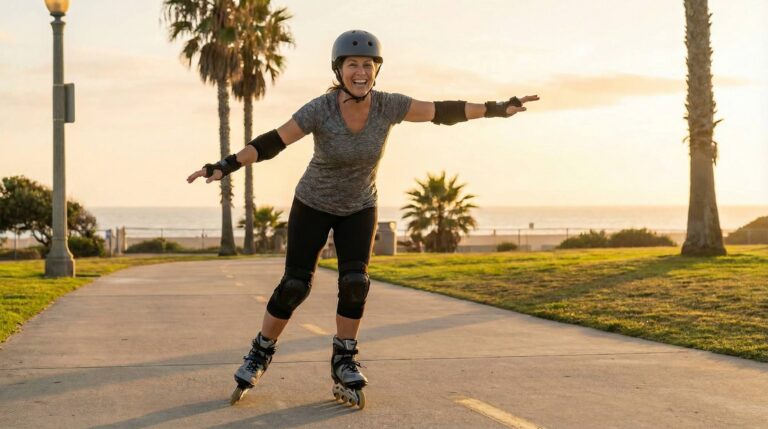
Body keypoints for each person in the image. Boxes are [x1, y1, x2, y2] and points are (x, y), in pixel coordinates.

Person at [186, 29, 539, 408]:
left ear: (376, 70)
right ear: (339, 70)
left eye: (367, 65)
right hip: (313, 203)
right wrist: (225, 165)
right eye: (352, 64)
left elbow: (443, 110)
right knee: (294, 285)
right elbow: (274, 141)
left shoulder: (388, 106)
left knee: (355, 281)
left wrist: (498, 107)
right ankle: (260, 351)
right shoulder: (320, 109)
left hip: (360, 205)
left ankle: (344, 358)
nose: (360, 71)